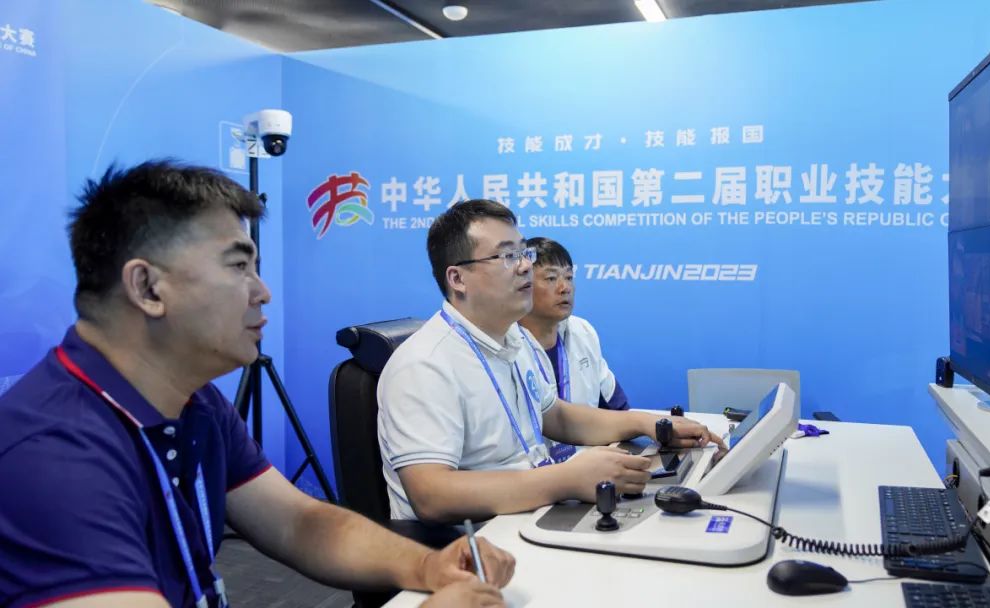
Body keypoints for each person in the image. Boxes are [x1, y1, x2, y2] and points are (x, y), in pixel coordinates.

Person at [0, 161, 514, 608]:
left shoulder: (193, 402)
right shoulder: (53, 456)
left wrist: (428, 566)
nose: (262, 292)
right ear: (147, 287)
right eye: (239, 266)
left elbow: (299, 523)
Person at [377, 200, 726, 523]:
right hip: (466, 544)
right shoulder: (424, 364)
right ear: (457, 279)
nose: (525, 266)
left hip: (529, 514)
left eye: (523, 252)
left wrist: (647, 423)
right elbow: (431, 495)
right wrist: (565, 479)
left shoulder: (512, 339)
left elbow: (556, 416)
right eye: (508, 256)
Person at [517, 237, 629, 410]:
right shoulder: (506, 343)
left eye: (569, 277)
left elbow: (619, 409)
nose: (565, 288)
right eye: (551, 278)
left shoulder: (582, 332)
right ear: (523, 285)